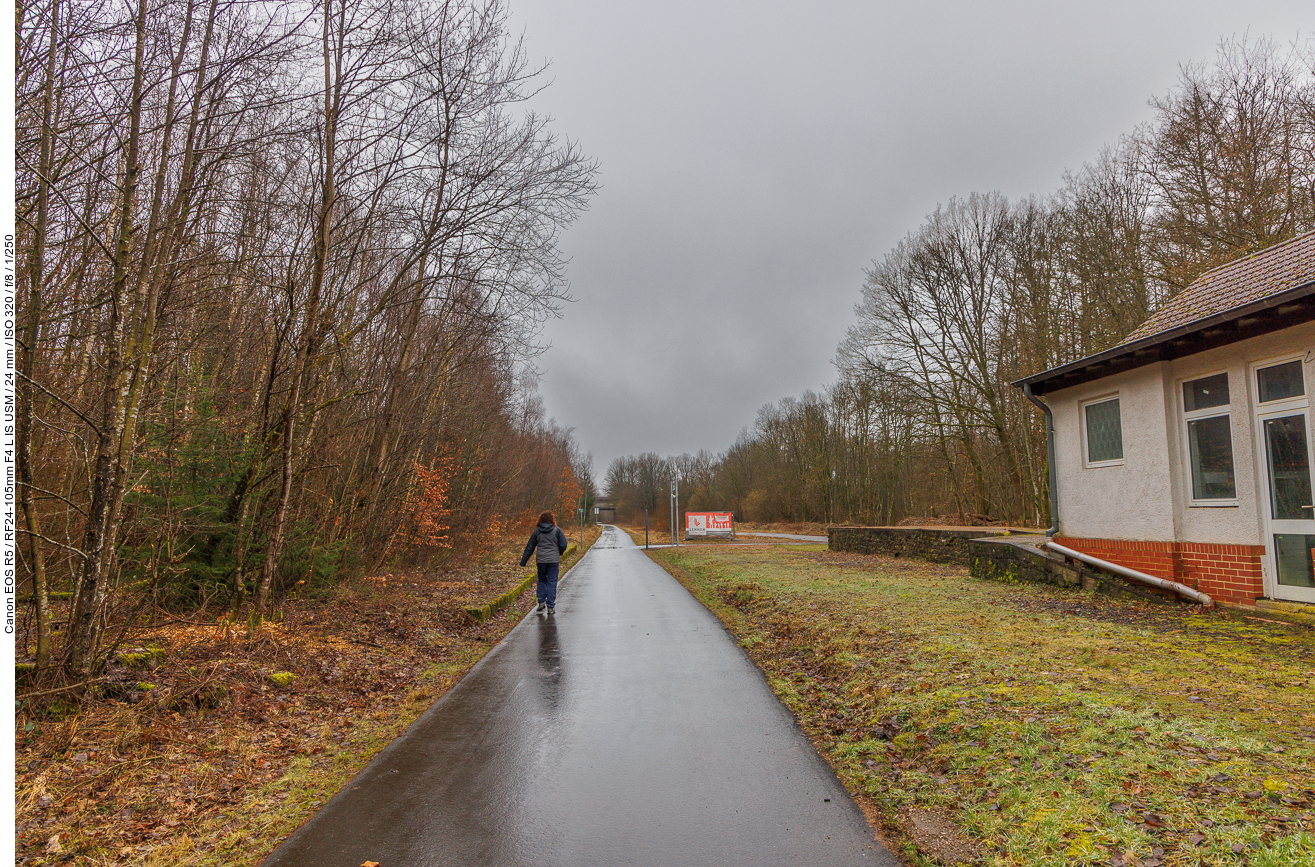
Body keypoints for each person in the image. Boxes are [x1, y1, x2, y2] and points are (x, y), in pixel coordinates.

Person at [520, 511, 569, 615]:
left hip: (541, 560)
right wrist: (559, 552)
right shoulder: (557, 531)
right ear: (552, 520)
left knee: (541, 580)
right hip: (553, 560)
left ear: (540, 520)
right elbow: (564, 544)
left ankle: (541, 602)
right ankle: (550, 606)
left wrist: (523, 561)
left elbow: (530, 547)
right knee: (552, 582)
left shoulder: (537, 532)